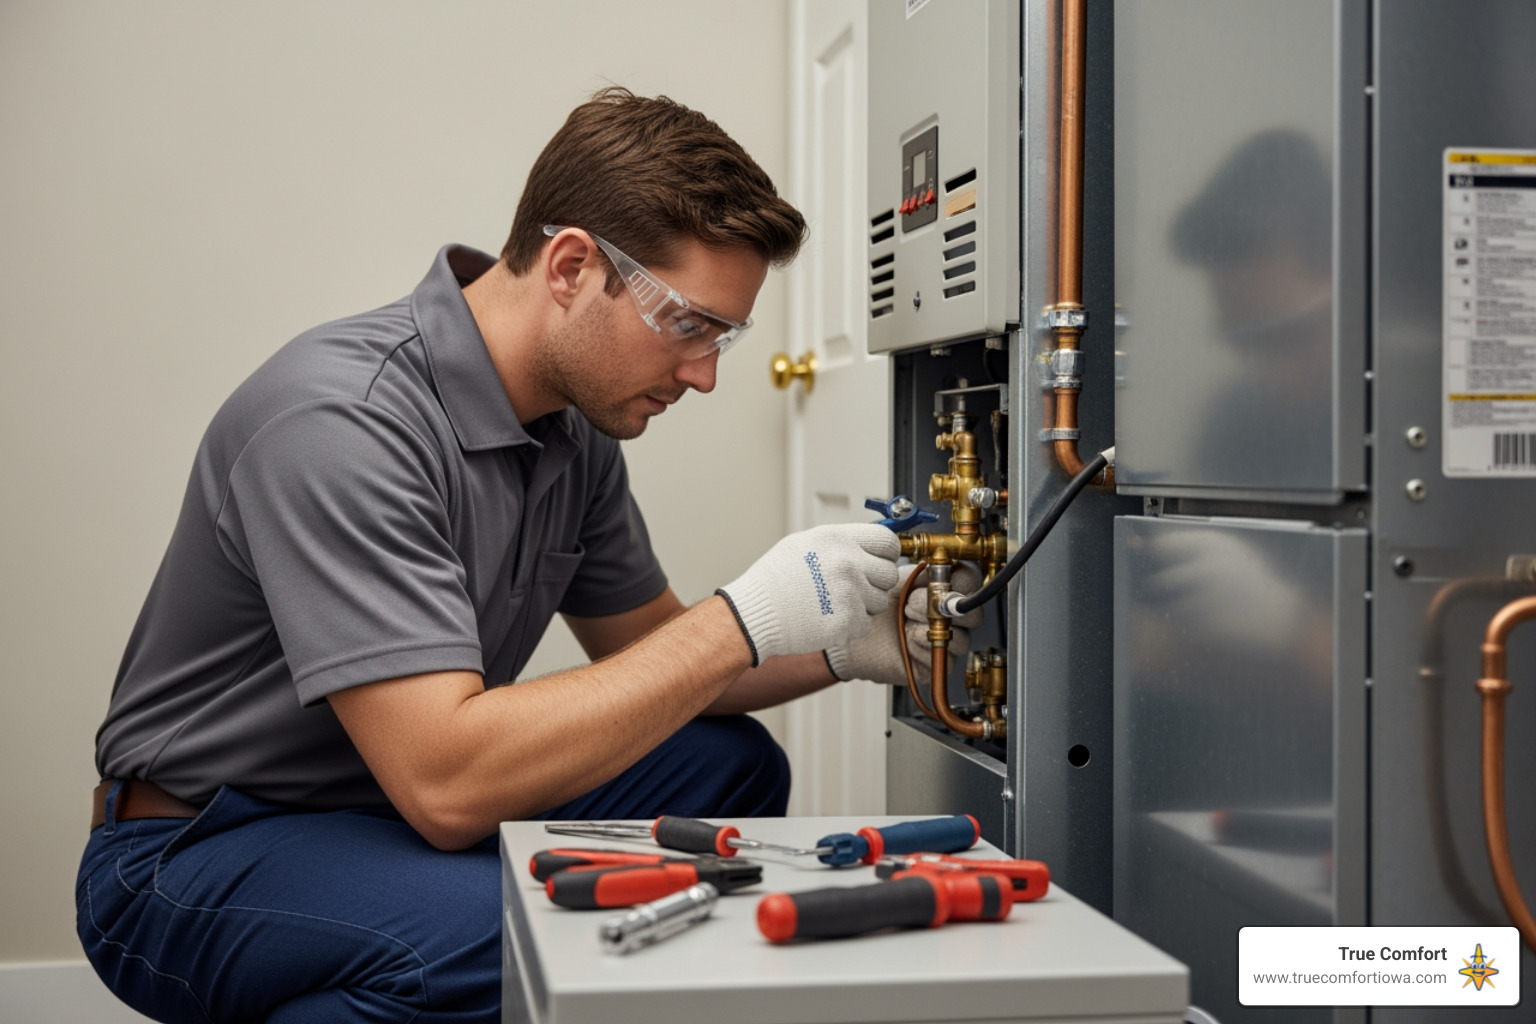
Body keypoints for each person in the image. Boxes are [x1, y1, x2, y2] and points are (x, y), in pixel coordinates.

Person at [77, 88, 977, 1023]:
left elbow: (668, 656)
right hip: (197, 847)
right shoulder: (341, 422)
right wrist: (741, 619)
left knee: (726, 766)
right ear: (573, 265)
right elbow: (447, 783)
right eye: (690, 324)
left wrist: (848, 643)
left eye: (726, 336)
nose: (706, 374)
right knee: (514, 936)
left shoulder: (571, 434)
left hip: (386, 809)